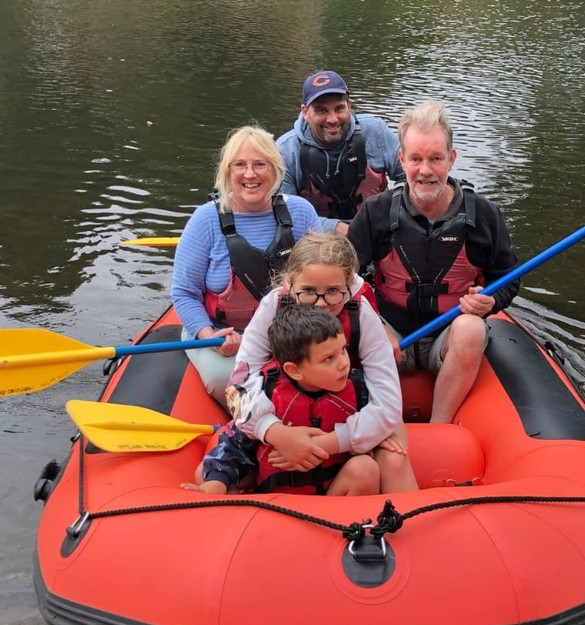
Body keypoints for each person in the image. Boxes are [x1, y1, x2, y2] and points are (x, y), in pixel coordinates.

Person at [345, 100, 521, 424]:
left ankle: (440, 426)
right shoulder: (376, 212)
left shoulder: (484, 215)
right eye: (416, 159)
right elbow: (341, 278)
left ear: (451, 159)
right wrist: (372, 324)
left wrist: (492, 301)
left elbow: (509, 279)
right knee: (347, 325)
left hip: (448, 338)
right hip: (390, 335)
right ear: (402, 159)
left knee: (471, 328)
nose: (425, 171)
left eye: (436, 158)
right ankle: (367, 424)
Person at [231, 231, 418, 493]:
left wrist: (327, 444)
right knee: (222, 465)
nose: (320, 304)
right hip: (286, 411)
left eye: (332, 291)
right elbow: (239, 385)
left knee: (394, 456)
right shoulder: (272, 307)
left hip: (352, 408)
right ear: (289, 284)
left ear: (349, 286)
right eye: (309, 291)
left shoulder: (361, 314)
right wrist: (275, 432)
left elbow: (388, 402)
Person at [170, 124, 321, 404]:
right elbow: (184, 293)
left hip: (287, 333)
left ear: (275, 169)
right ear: (227, 172)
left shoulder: (301, 213)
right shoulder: (205, 220)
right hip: (222, 335)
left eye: (260, 164)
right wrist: (210, 335)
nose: (250, 174)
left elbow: (323, 279)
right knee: (227, 379)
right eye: (240, 165)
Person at [183, 304, 380, 497]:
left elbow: (378, 422)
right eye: (329, 358)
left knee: (365, 468)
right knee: (207, 475)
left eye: (343, 350)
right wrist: (217, 481)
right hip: (274, 496)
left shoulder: (360, 389)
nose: (344, 363)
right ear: (294, 370)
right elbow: (236, 444)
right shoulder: (266, 395)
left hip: (332, 494)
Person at [276, 70, 406, 237]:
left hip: (379, 230)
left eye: (339, 108)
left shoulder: (376, 131)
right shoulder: (285, 151)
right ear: (305, 112)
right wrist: (336, 229)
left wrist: (390, 213)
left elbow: (411, 177)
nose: (332, 119)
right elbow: (285, 213)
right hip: (318, 240)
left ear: (349, 106)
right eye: (321, 110)